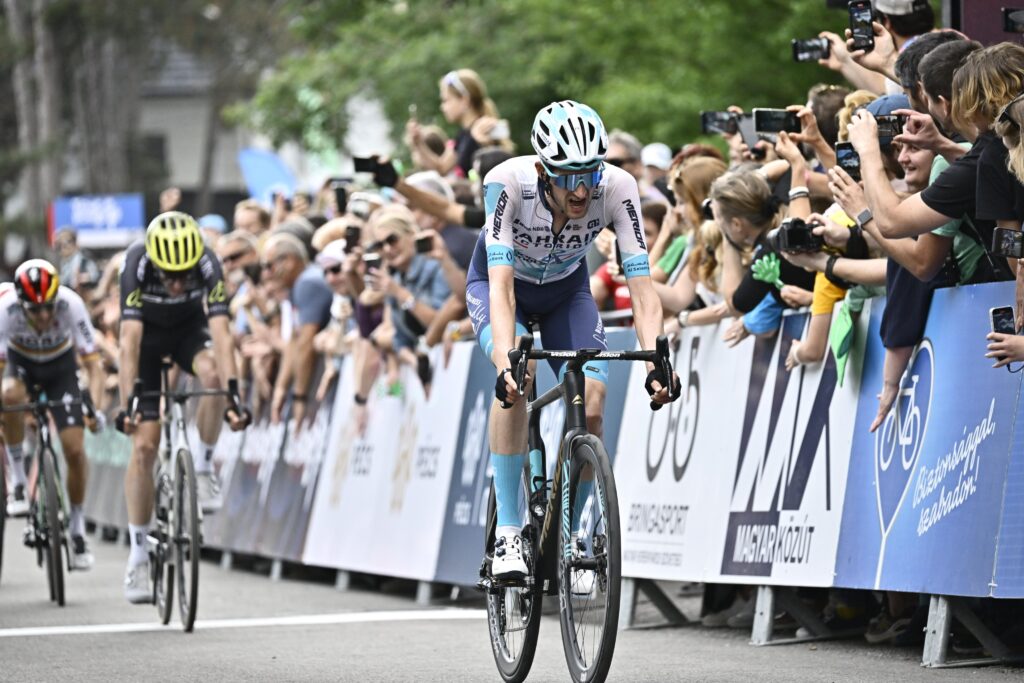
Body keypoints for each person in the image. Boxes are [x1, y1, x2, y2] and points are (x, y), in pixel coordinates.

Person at [466, 100, 679, 578]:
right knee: (519, 376)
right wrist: (506, 361)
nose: (581, 189)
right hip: (502, 288)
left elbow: (642, 291)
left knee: (595, 402)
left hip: (567, 292)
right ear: (543, 170)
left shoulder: (618, 187)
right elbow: (500, 288)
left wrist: (656, 363)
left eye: (589, 172)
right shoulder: (507, 181)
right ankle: (508, 535)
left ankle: (575, 535)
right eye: (566, 176)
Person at [117, 211, 248, 604]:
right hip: (148, 338)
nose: (176, 283)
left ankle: (205, 465)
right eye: (168, 276)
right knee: (144, 446)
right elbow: (128, 343)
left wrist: (234, 394)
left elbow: (223, 337)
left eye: (183, 276)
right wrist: (128, 405)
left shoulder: (209, 263)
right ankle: (139, 555)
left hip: (190, 332)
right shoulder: (136, 263)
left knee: (211, 377)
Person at [0, 259, 106, 570]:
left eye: (49, 307)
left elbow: (94, 365)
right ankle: (18, 479)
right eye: (35, 310)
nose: (45, 316)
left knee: (74, 449)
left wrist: (94, 409)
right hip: (21, 365)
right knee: (9, 395)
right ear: (21, 305)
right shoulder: (5, 310)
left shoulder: (71, 304)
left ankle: (76, 527)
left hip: (61, 369)